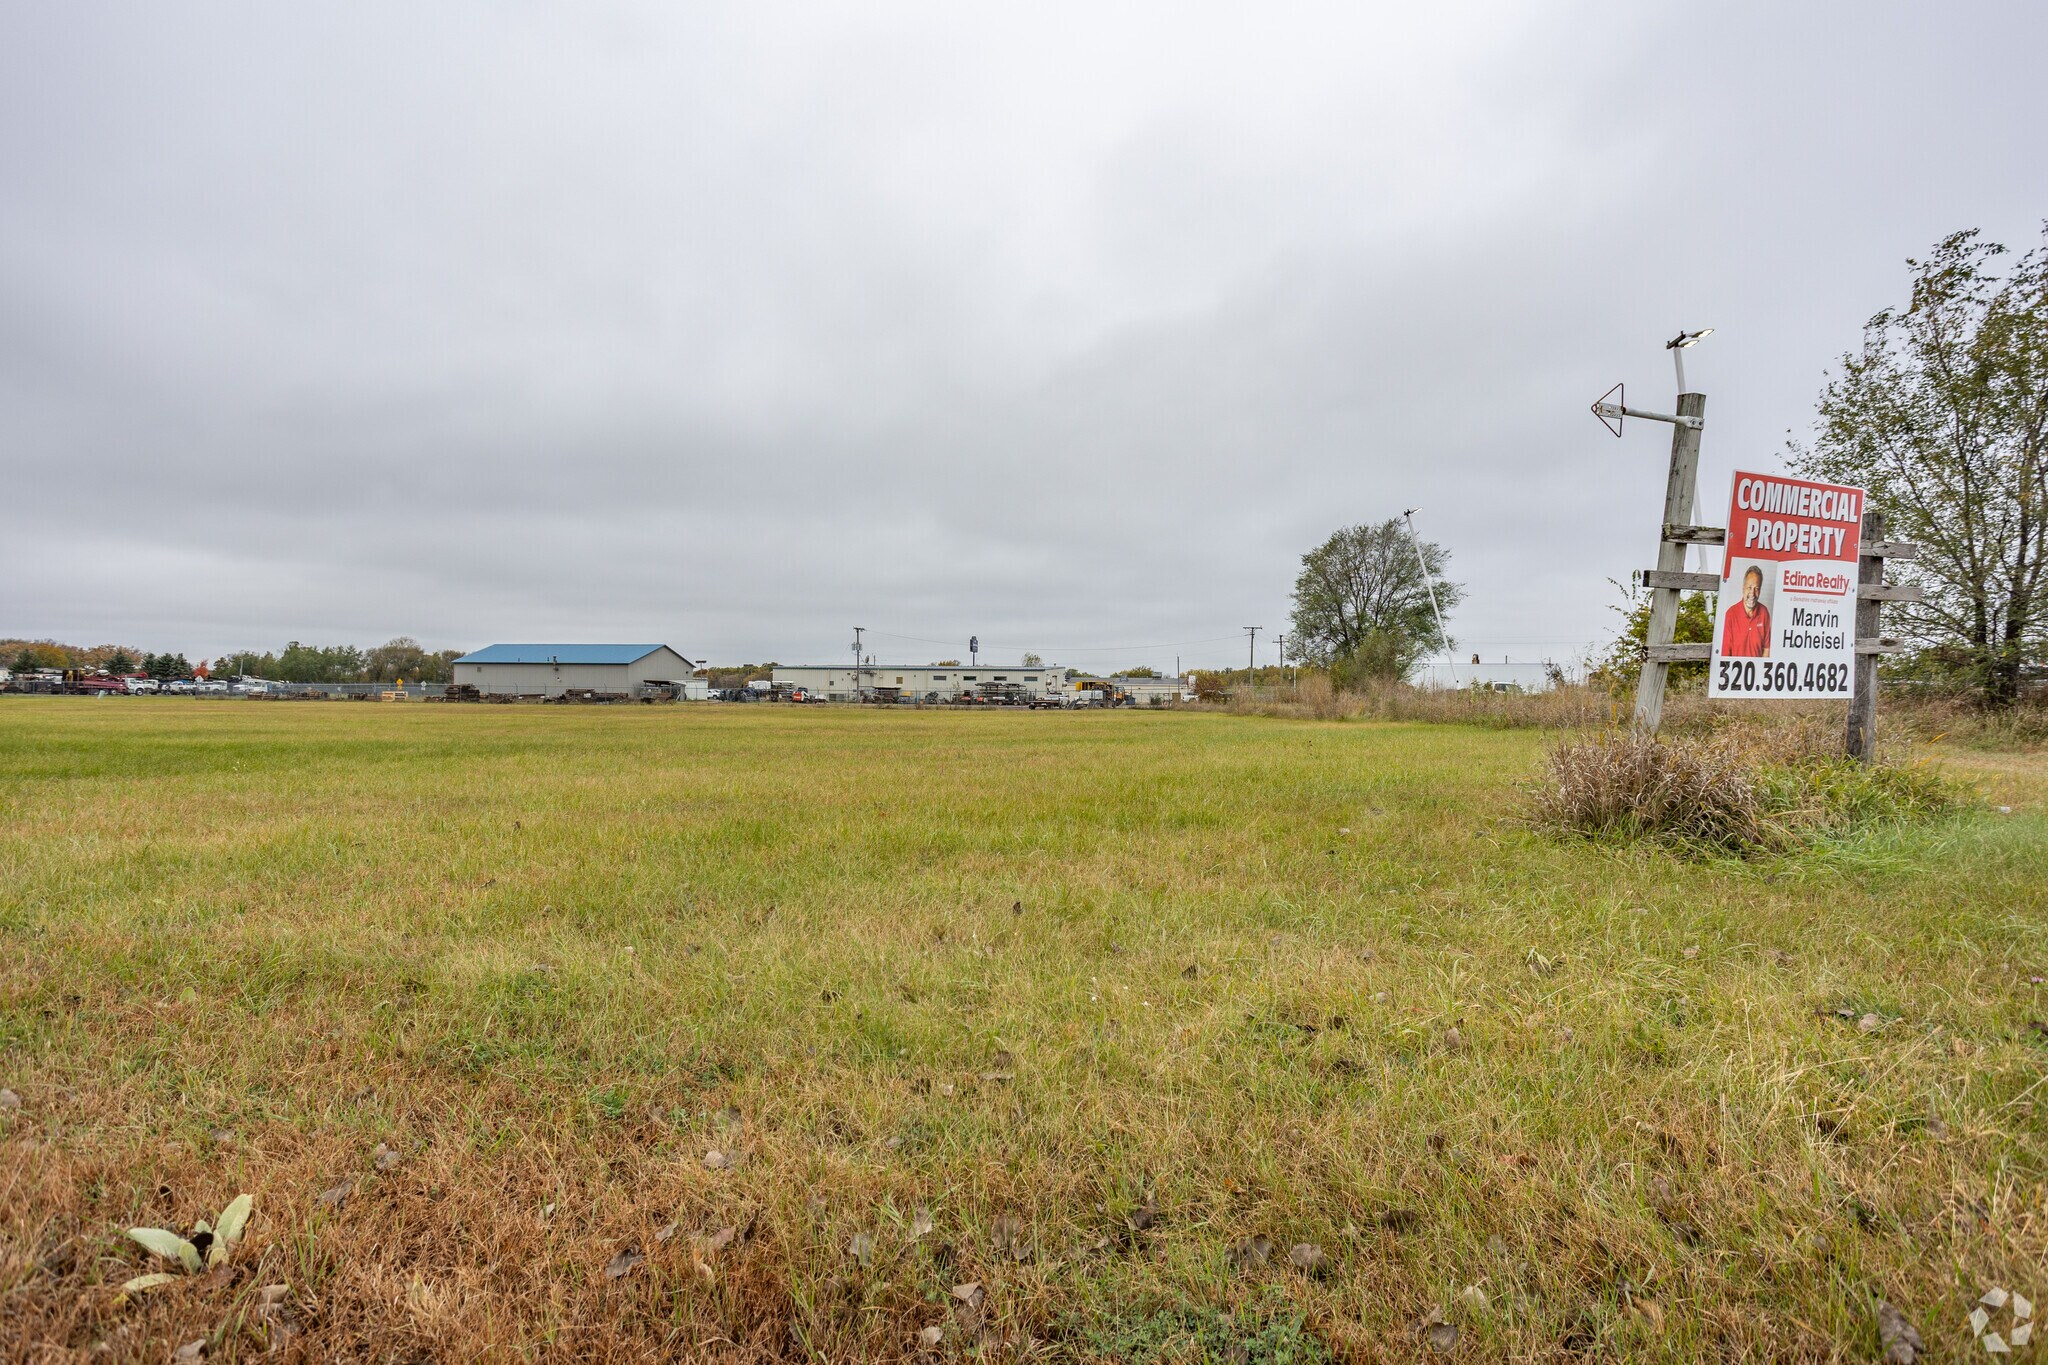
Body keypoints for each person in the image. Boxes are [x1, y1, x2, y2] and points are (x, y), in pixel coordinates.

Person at [1720, 564, 1772, 657]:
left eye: (1757, 588)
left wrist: (1761, 670)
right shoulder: (1730, 614)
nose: (1752, 593)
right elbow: (1725, 654)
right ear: (1743, 588)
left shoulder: (1764, 612)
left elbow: (1767, 648)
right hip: (1735, 670)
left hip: (1757, 670)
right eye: (1749, 588)